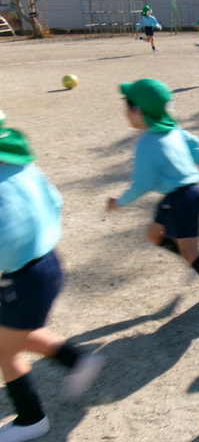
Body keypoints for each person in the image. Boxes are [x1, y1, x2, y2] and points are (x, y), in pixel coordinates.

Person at [0, 115, 104, 442]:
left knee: (6, 351)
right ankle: (77, 360)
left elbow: (8, 236)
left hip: (19, 278)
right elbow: (55, 201)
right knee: (17, 333)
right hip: (48, 263)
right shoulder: (24, 167)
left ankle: (31, 419)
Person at [106, 79, 199, 318]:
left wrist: (119, 202)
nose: (125, 113)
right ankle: (193, 258)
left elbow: (142, 185)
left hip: (182, 199)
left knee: (190, 251)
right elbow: (196, 144)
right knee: (153, 236)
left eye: (127, 107)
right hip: (184, 194)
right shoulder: (172, 129)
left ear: (138, 111)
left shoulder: (146, 144)